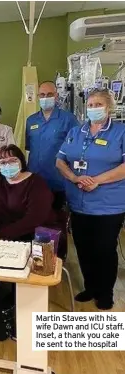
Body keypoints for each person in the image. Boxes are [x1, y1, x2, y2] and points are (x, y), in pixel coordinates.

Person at [0, 144, 60, 340]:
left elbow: (35, 219)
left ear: (21, 161)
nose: (7, 165)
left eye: (12, 160)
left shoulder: (36, 183)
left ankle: (24, 316)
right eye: (3, 162)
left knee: (29, 272)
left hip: (40, 237)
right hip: (7, 237)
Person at [56, 88, 125, 310]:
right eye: (91, 104)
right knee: (83, 248)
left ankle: (105, 293)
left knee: (104, 249)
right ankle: (91, 286)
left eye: (98, 104)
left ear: (109, 107)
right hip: (79, 203)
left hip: (109, 205)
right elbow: (60, 161)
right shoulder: (77, 132)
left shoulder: (120, 133)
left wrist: (97, 180)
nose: (94, 108)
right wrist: (74, 177)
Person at [25, 81, 80, 258]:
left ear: (56, 96)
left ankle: (58, 258)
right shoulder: (31, 120)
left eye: (49, 94)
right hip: (35, 181)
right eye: (42, 95)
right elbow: (29, 148)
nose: (45, 98)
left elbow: (76, 149)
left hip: (58, 181)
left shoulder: (68, 119)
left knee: (57, 222)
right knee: (35, 219)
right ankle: (37, 257)